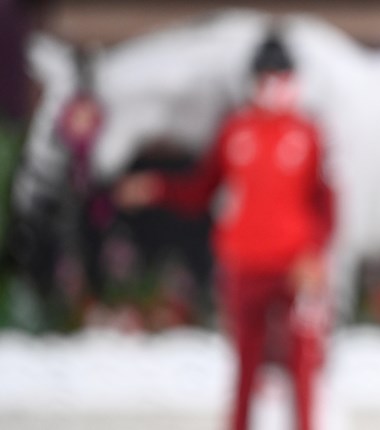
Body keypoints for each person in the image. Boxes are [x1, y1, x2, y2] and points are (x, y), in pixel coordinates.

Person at [114, 32, 334, 430]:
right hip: (244, 264)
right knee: (246, 366)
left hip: (292, 267)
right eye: (265, 76)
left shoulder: (307, 133)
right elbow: (201, 190)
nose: (272, 85)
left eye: (279, 76)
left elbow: (327, 204)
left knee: (300, 365)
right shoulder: (236, 131)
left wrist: (314, 254)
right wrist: (156, 187)